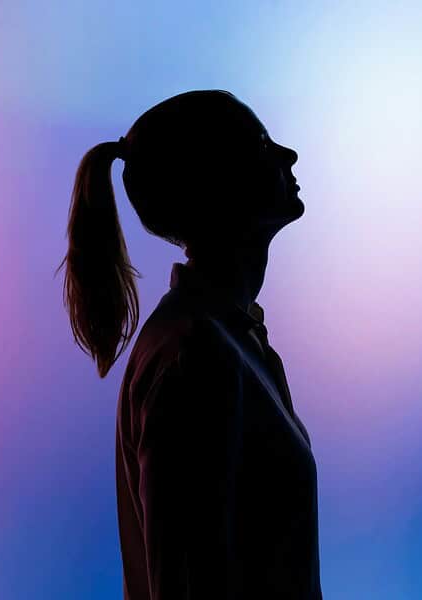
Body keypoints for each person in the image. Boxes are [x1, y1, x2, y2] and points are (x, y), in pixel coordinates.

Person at [59, 90, 322, 599]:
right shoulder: (195, 357)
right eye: (261, 144)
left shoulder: (227, 341)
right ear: (218, 181)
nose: (287, 155)